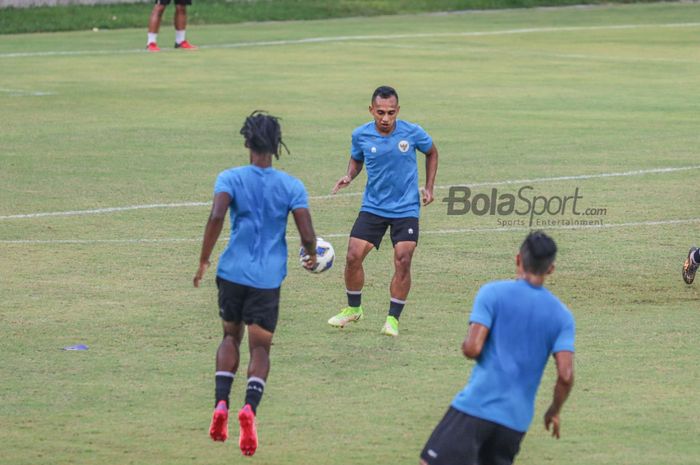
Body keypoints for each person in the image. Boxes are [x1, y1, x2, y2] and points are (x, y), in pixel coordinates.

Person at [193, 111, 317, 456]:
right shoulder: (292, 186)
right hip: (267, 279)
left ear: (247, 142)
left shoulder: (229, 178)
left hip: (231, 273)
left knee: (229, 337)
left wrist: (204, 259)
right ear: (277, 146)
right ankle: (249, 408)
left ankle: (220, 404)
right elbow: (307, 234)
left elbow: (217, 215)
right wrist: (310, 254)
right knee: (259, 349)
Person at [420, 231, 575, 465]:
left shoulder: (493, 293)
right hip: (515, 422)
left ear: (518, 259)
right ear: (551, 269)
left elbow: (472, 348)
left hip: (477, 407)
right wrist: (553, 410)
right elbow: (566, 375)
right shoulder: (562, 316)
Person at [328, 85, 438, 337]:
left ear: (398, 110)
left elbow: (432, 152)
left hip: (406, 207)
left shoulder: (412, 132)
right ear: (371, 110)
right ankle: (353, 309)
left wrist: (429, 188)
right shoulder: (360, 135)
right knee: (353, 256)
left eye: (390, 113)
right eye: (380, 112)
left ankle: (392, 319)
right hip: (374, 207)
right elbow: (357, 158)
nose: (385, 118)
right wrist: (349, 175)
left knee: (403, 259)